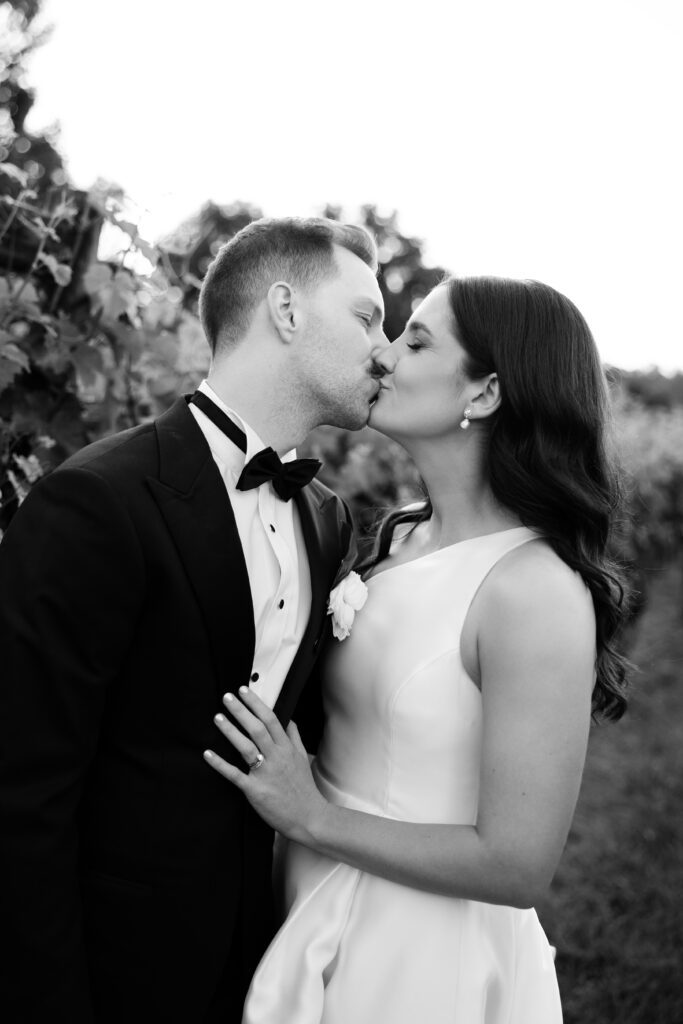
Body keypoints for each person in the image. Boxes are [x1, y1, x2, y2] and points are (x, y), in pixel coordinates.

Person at [205, 275, 631, 1023]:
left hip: (417, 954)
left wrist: (311, 818)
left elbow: (519, 864)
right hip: (312, 893)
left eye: (416, 340)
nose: (382, 354)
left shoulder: (529, 589)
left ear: (486, 393)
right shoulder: (402, 534)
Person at [0, 217, 389, 1023]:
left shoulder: (325, 518)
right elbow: (21, 791)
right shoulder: (100, 500)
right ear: (285, 310)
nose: (383, 349)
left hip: (260, 961)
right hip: (108, 971)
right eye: (366, 317)